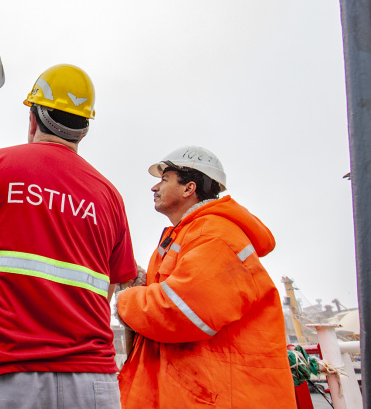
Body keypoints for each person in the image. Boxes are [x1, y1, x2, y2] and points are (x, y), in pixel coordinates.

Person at [0, 64, 136, 409]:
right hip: (91, 384)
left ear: (32, 119)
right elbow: (105, 289)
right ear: (83, 131)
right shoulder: (109, 197)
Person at [115, 146, 296, 408]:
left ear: (189, 188)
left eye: (164, 179)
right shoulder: (187, 235)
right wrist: (142, 284)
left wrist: (126, 298)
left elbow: (180, 312)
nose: (154, 187)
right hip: (190, 391)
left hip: (214, 396)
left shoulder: (216, 235)